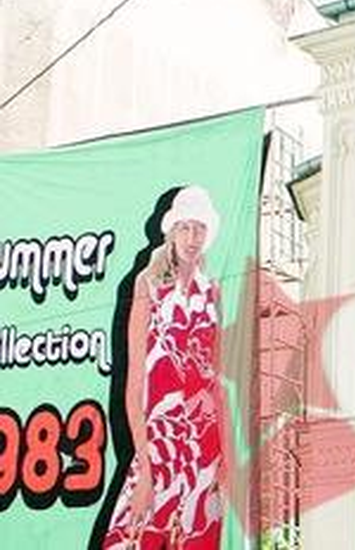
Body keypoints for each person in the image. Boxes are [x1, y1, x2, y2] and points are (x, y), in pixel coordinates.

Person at [103, 186, 228, 549]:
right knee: (130, 539)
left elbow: (216, 383)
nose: (192, 237)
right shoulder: (148, 286)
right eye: (185, 228)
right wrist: (145, 467)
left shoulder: (212, 293)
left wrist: (224, 461)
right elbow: (134, 386)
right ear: (171, 232)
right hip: (158, 442)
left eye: (199, 228)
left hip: (204, 446)